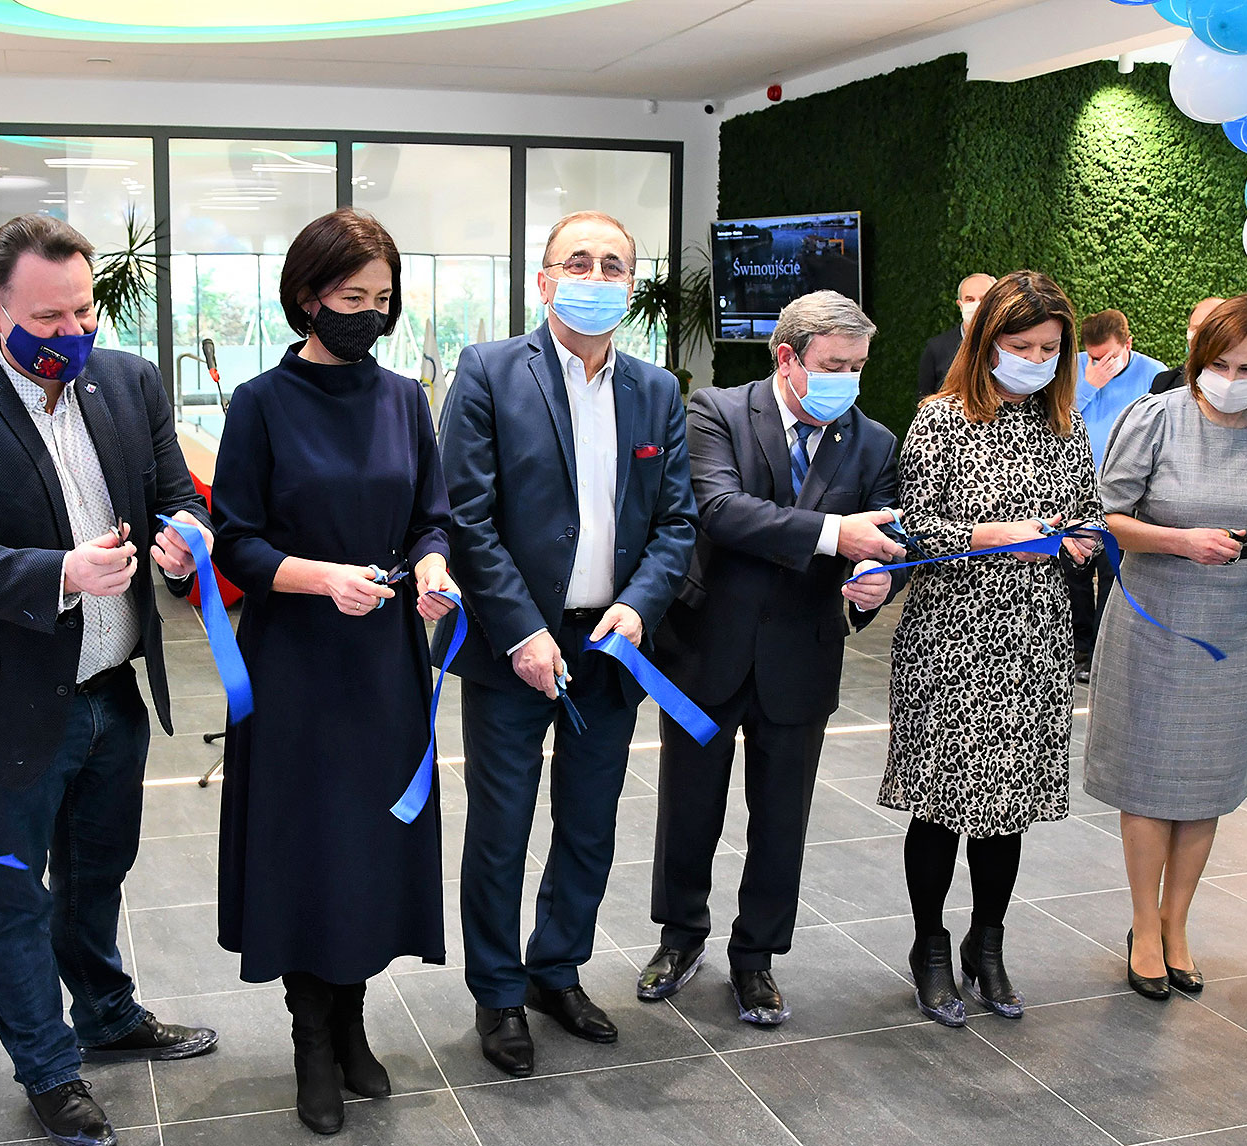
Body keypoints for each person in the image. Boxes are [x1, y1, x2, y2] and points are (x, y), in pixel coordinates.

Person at [0, 215, 217, 1146]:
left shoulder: (129, 382)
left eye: (83, 312)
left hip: (113, 690)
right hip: (10, 703)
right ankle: (49, 1069)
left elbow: (175, 494)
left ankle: (106, 1014)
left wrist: (189, 538)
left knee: (98, 873)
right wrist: (60, 572)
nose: (71, 333)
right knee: (13, 896)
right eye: (47, 319)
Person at [209, 209, 459, 1136]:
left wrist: (432, 568)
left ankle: (352, 1025)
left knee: (368, 849)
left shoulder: (403, 400)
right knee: (305, 848)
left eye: (383, 299)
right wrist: (320, 579)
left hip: (384, 661)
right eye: (353, 297)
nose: (370, 315)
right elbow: (235, 540)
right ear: (308, 297)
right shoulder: (260, 403)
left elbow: (432, 517)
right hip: (296, 663)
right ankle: (311, 1039)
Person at [437, 210, 697, 1078]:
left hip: (610, 644)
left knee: (589, 823)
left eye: (613, 265)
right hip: (511, 643)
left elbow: (677, 523)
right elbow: (467, 517)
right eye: (577, 262)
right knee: (501, 829)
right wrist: (521, 630)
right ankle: (498, 992)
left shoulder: (656, 391)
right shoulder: (489, 371)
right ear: (544, 280)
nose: (596, 277)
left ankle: (556, 970)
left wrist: (639, 608)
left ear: (632, 285)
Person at [638, 291, 905, 1025]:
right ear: (787, 358)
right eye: (834, 365)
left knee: (781, 820)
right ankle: (680, 935)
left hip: (801, 653)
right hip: (707, 645)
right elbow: (720, 511)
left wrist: (873, 581)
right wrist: (836, 536)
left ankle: (756, 957)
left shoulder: (874, 443)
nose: (848, 380)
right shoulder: (717, 412)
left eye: (858, 366)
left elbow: (886, 540)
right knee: (688, 807)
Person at [1084, 295, 1247, 1000]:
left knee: (1206, 780)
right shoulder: (1156, 418)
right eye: (1219, 364)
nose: (1230, 379)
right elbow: (1106, 519)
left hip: (1239, 622)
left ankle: (1177, 923)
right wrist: (1179, 540)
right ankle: (1143, 923)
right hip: (1156, 616)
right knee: (1148, 775)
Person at [880, 271, 1100, 1029]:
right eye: (1022, 345)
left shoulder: (1065, 428)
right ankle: (930, 947)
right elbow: (911, 529)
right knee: (940, 803)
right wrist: (989, 535)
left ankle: (988, 941)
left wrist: (1078, 539)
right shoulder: (939, 421)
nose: (1037, 360)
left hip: (1034, 639)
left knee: (1008, 807)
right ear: (986, 342)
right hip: (950, 637)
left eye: (1049, 348)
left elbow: (1092, 516)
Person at [1068, 310, 1166, 678]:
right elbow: (1053, 418)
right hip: (1073, 488)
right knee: (1073, 574)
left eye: (1109, 356)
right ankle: (1079, 648)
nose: (1101, 363)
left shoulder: (1153, 374)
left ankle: (1101, 652)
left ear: (1128, 345)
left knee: (1113, 573)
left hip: (1124, 497)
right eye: (1094, 356)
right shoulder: (1073, 368)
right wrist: (1088, 383)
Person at [916, 273, 994, 399]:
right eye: (969, 299)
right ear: (960, 305)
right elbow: (925, 399)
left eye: (984, 299)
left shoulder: (1010, 344)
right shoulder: (937, 348)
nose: (977, 305)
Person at [1149, 296, 1227, 396]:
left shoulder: (1242, 383)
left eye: (1212, 329)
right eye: (1196, 328)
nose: (1201, 336)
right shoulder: (1164, 384)